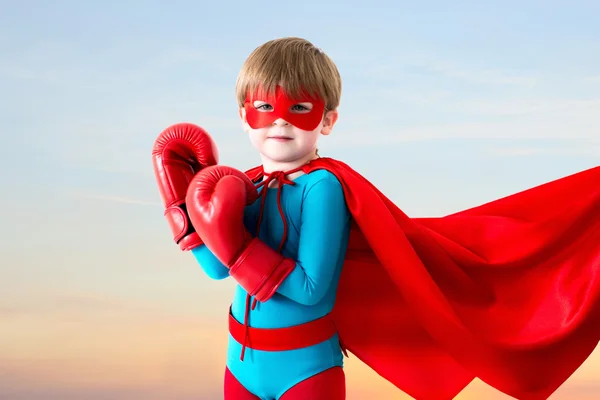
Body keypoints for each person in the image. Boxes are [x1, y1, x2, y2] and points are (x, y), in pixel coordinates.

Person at [153, 37, 600, 400]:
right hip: (241, 365)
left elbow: (311, 291)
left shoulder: (322, 188)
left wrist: (237, 246)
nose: (279, 122)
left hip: (305, 371)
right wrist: (185, 204)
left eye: (299, 108)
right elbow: (215, 269)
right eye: (264, 107)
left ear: (326, 121)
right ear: (243, 119)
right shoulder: (238, 185)